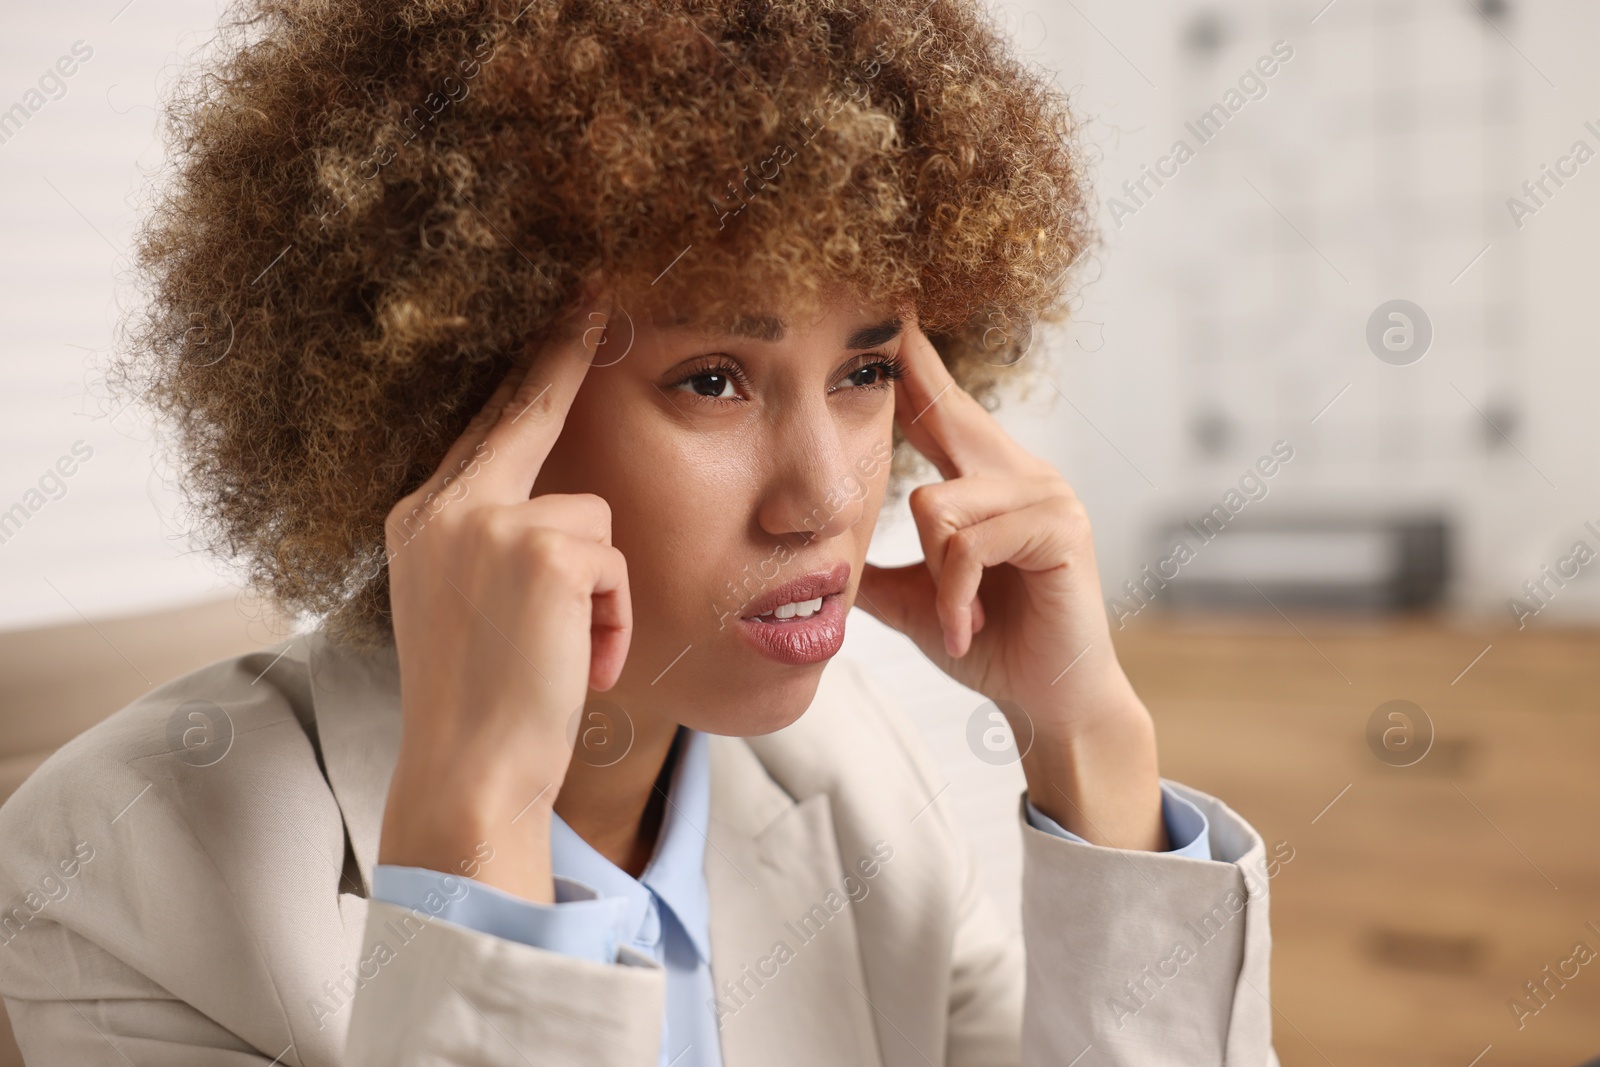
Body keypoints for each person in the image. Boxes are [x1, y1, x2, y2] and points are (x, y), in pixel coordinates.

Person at [0, 0, 1281, 1063]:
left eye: (865, 370)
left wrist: (1088, 737)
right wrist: (476, 811)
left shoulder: (853, 786)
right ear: (467, 409)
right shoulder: (114, 868)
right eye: (713, 377)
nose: (828, 499)